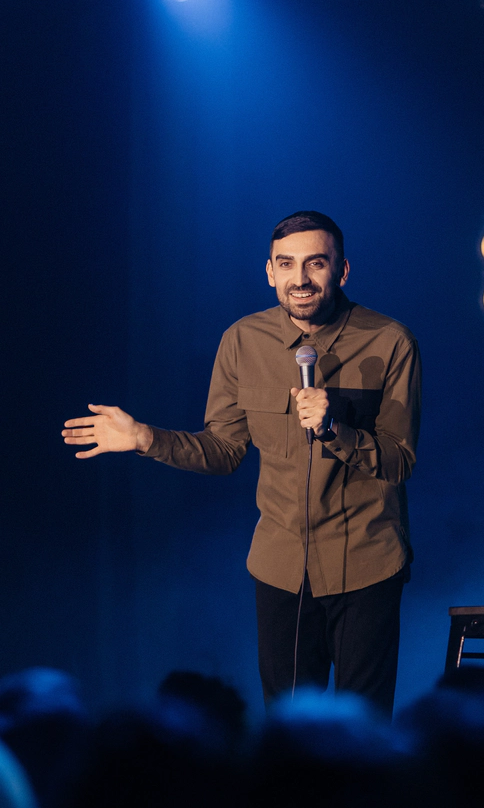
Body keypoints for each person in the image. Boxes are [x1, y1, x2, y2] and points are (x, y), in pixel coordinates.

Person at [62, 211, 421, 717]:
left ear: (341, 270)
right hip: (281, 568)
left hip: (367, 564)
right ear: (270, 272)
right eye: (286, 264)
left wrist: (334, 429)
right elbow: (223, 450)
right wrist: (145, 438)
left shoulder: (390, 341)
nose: (300, 278)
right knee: (288, 729)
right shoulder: (242, 341)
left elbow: (400, 460)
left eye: (315, 263)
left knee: (362, 729)